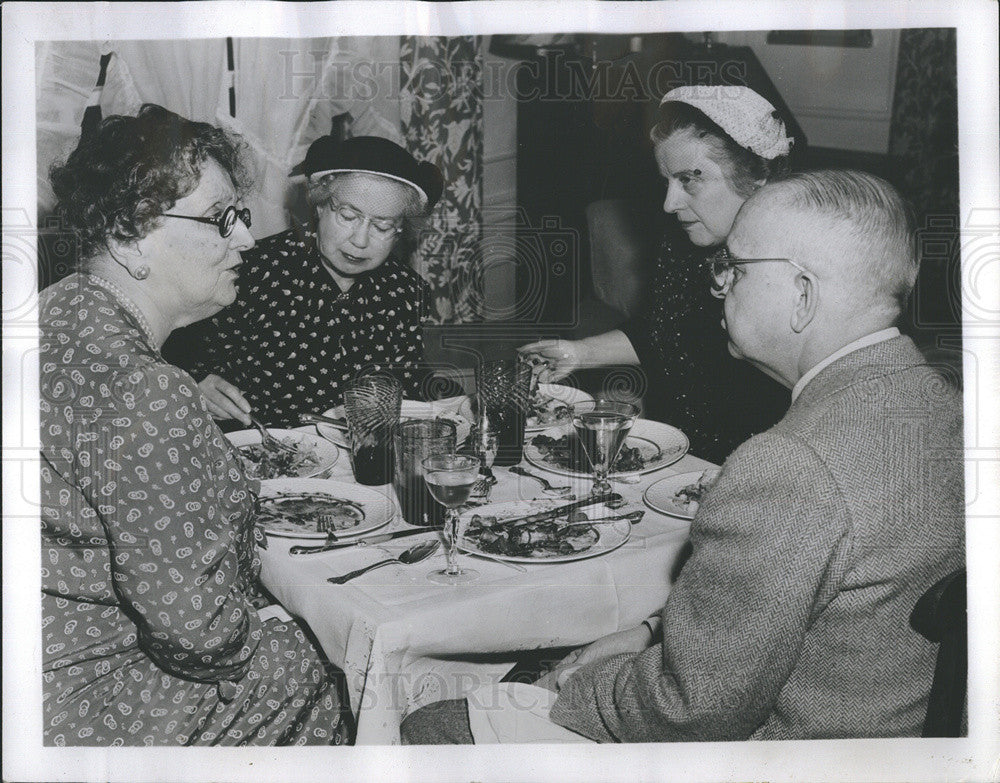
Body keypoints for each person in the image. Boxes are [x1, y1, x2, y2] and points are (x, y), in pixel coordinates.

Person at [401, 170, 965, 743]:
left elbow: (692, 709)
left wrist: (572, 685)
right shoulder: (942, 402)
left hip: (787, 756)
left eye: (735, 269)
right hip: (894, 730)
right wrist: (651, 632)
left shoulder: (789, 465)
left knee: (434, 725)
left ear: (803, 294)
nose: (718, 287)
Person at [39, 104, 349, 746]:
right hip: (86, 704)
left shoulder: (51, 310)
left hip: (34, 663)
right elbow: (199, 635)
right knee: (329, 664)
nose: (245, 239)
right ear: (128, 237)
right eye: (220, 219)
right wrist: (278, 628)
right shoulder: (145, 389)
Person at [520, 85, 795, 464]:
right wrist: (579, 352)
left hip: (759, 468)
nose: (669, 203)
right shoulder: (685, 244)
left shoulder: (798, 268)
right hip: (677, 457)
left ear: (756, 176)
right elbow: (666, 329)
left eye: (689, 181)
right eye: (666, 181)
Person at [165, 133, 445, 429]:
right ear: (320, 206)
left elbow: (414, 387)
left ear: (401, 230)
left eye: (382, 226)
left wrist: (457, 403)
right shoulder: (252, 272)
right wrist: (194, 383)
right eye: (348, 216)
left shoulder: (405, 291)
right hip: (269, 456)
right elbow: (177, 356)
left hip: (368, 460)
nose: (360, 240)